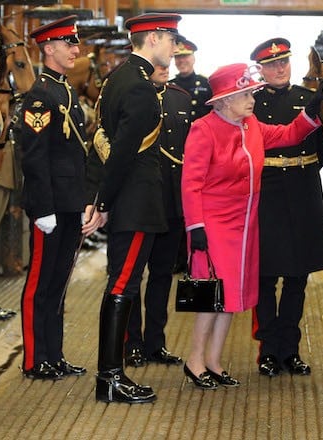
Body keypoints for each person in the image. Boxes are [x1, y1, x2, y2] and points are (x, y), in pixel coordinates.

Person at [181, 62, 323, 389]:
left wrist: (313, 111)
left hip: (243, 225)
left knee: (230, 296)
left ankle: (214, 362)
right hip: (213, 223)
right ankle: (194, 360)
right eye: (244, 94)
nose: (252, 100)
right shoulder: (204, 129)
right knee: (209, 295)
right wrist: (196, 228)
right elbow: (190, 184)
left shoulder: (251, 126)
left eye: (251, 93)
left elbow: (289, 134)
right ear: (222, 101)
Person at [83, 12, 182, 404]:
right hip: (137, 200)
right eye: (171, 39)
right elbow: (122, 152)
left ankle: (111, 373)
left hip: (126, 199)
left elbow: (103, 142)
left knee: (121, 283)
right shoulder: (140, 87)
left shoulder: (117, 79)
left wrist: (102, 200)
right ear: (153, 38)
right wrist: (102, 202)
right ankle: (109, 377)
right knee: (122, 285)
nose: (174, 48)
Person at [248, 38, 323, 377]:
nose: (279, 68)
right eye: (272, 64)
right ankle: (268, 350)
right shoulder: (251, 102)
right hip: (267, 191)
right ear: (260, 69)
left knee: (298, 278)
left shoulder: (306, 99)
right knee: (266, 277)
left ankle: (290, 349)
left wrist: (305, 168)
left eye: (284, 61)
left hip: (302, 190)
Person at [19, 15, 88, 381]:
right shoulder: (40, 96)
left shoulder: (65, 90)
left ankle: (55, 355)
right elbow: (34, 156)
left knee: (59, 284)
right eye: (68, 44)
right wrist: (43, 208)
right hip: (50, 208)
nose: (76, 49)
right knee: (40, 285)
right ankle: (35, 358)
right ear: (48, 48)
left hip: (69, 203)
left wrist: (80, 202)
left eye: (75, 43)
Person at [125, 64, 190, 368]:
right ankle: (132, 344)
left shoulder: (181, 98)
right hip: (141, 202)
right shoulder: (130, 96)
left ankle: (155, 343)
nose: (165, 68)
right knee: (133, 278)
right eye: (159, 64)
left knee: (163, 275)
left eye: (168, 63)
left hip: (173, 203)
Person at [171, 38, 212, 121]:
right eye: (178, 57)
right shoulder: (169, 86)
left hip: (201, 131)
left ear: (193, 59)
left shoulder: (206, 84)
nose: (181, 60)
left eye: (185, 56)